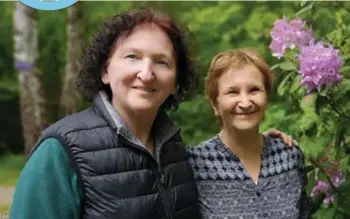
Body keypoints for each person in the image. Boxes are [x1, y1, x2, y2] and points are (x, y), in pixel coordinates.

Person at [10, 9, 297, 219]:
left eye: (162, 62)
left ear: (175, 81)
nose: (146, 73)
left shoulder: (175, 151)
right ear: (105, 70)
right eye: (132, 57)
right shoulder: (61, 151)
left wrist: (259, 142)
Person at [187, 48, 311, 219]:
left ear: (266, 97)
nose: (245, 103)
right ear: (215, 104)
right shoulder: (194, 164)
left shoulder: (289, 156)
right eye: (233, 92)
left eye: (254, 90)